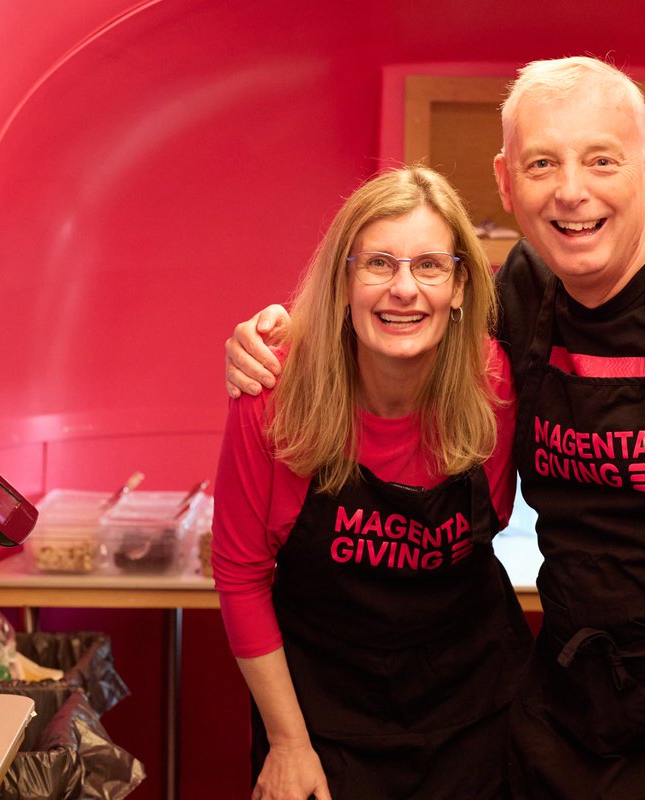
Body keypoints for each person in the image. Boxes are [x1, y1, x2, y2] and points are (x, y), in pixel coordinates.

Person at [225, 57, 645, 800]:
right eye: (542, 163)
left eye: (601, 159)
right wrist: (280, 339)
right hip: (580, 703)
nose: (572, 190)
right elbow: (405, 320)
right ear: (506, 182)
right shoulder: (522, 288)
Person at [212, 165, 532, 800]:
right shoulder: (273, 395)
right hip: (320, 722)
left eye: (430, 266)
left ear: (461, 284)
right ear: (344, 281)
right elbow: (241, 575)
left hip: (475, 713)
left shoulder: (491, 382)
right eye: (379, 264)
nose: (404, 289)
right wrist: (288, 744)